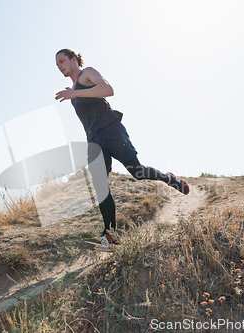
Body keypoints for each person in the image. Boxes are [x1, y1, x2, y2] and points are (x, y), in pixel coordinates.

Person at [55, 49, 189, 248]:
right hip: (93, 140)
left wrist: (76, 92)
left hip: (111, 130)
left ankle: (169, 179)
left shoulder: (87, 73)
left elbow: (108, 90)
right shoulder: (73, 89)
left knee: (137, 171)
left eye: (62, 61)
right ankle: (110, 235)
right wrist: (74, 93)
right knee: (99, 184)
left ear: (74, 60)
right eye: (57, 64)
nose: (59, 66)